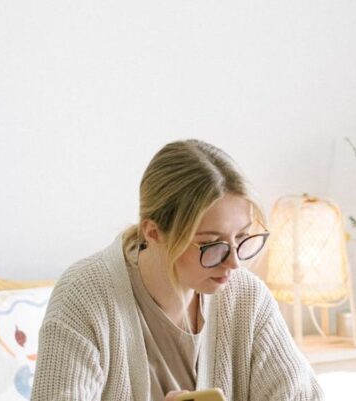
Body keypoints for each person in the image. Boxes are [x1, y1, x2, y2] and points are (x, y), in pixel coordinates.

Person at [31, 139, 323, 401]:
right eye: (211, 244)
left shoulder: (247, 297)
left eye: (243, 238)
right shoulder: (84, 296)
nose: (235, 262)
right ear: (154, 233)